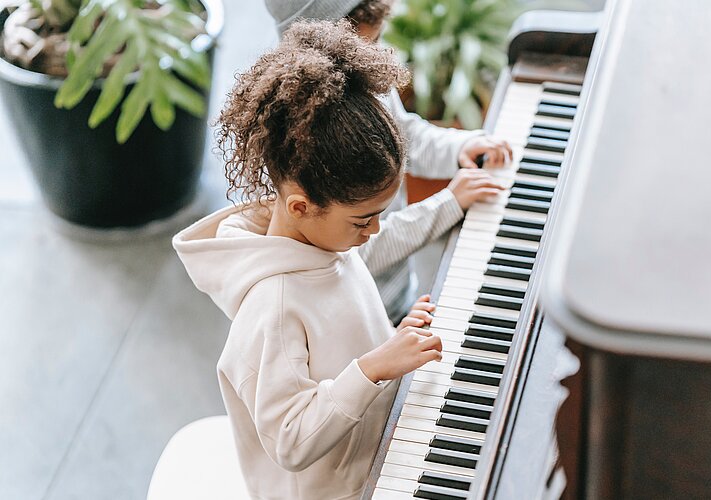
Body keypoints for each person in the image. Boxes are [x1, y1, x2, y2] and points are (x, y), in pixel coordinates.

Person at [173, 20, 501, 500]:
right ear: (301, 206)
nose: (374, 231)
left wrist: (392, 339)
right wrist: (375, 367)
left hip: (376, 453)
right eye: (363, 220)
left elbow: (339, 348)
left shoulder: (324, 241)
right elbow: (290, 440)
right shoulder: (272, 308)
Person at [265, 0, 514, 323]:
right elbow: (355, 251)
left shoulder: (363, 73)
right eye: (362, 46)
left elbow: (404, 134)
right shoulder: (300, 137)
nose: (374, 55)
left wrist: (458, 147)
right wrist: (448, 204)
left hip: (399, 292)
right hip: (357, 317)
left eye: (377, 40)